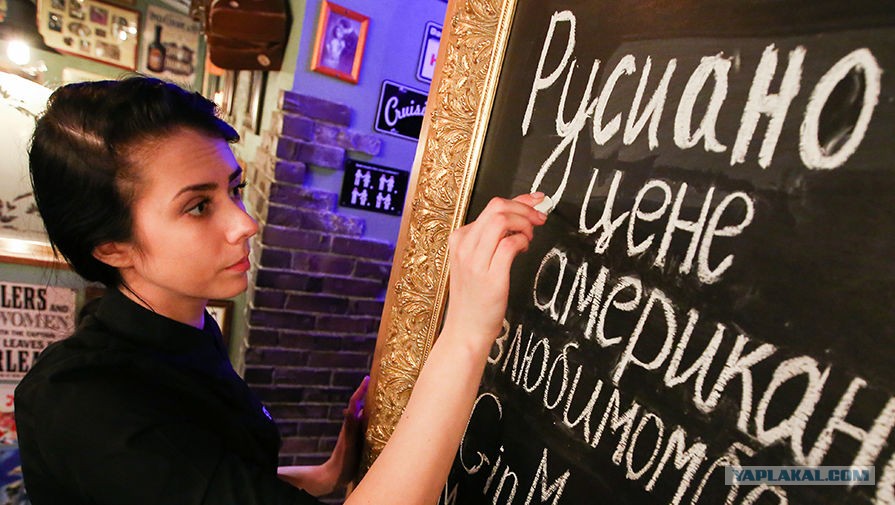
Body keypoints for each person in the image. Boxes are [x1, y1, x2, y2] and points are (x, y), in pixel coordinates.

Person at [14, 76, 547, 504]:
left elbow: (209, 480)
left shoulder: (181, 330)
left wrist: (326, 473)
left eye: (235, 189)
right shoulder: (86, 403)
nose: (244, 223)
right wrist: (468, 330)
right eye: (198, 206)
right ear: (112, 248)